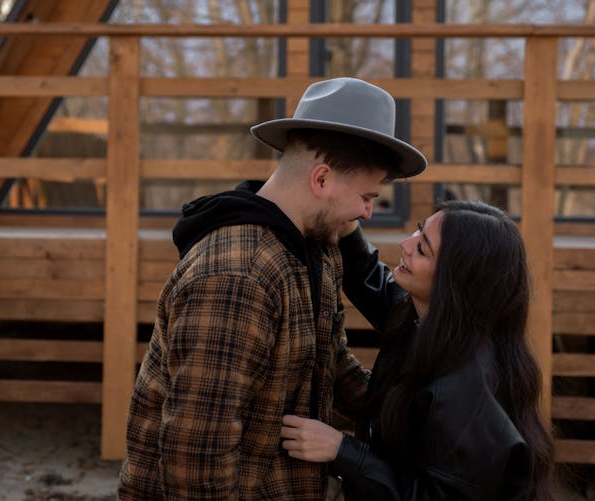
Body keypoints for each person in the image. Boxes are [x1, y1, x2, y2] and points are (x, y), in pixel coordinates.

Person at [117, 77, 427, 500]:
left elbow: (330, 365)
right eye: (367, 197)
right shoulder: (237, 276)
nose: (368, 213)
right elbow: (197, 462)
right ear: (321, 179)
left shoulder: (315, 250)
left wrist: (421, 414)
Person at [280, 200, 556, 500]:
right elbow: (375, 285)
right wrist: (347, 227)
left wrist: (343, 452)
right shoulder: (429, 324)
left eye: (423, 248)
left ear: (456, 280)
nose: (406, 243)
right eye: (417, 230)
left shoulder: (467, 388)